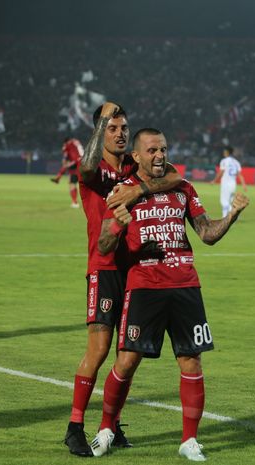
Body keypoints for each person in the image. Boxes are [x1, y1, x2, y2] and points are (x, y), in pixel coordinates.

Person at [90, 128, 249, 461]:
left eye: (163, 149)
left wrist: (232, 215)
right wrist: (117, 225)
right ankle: (106, 429)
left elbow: (206, 233)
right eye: (152, 150)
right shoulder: (122, 192)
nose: (160, 155)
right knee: (127, 360)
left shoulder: (183, 189)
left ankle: (189, 440)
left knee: (191, 359)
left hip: (185, 285)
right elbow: (104, 246)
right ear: (136, 156)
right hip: (145, 286)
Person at [63, 103, 182, 456]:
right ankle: (74, 427)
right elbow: (84, 167)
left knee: (126, 353)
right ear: (101, 130)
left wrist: (139, 191)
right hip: (104, 268)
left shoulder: (134, 167)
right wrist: (99, 123)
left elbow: (176, 176)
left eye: (123, 128)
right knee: (98, 350)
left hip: (136, 270)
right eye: (112, 128)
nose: (120, 133)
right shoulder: (94, 169)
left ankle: (110, 425)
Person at [212, 146, 246, 217]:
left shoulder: (224, 161)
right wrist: (244, 185)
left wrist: (214, 181)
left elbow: (221, 172)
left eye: (224, 152)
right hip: (233, 184)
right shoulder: (236, 162)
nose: (224, 153)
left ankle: (224, 218)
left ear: (227, 152)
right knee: (230, 201)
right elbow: (240, 175)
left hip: (225, 184)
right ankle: (234, 215)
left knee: (224, 202)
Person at [51, 136, 83, 208]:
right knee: (85, 184)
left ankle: (75, 203)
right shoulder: (76, 142)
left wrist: (65, 162)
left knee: (72, 183)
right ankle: (58, 178)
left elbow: (65, 156)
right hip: (83, 162)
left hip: (76, 163)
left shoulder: (67, 145)